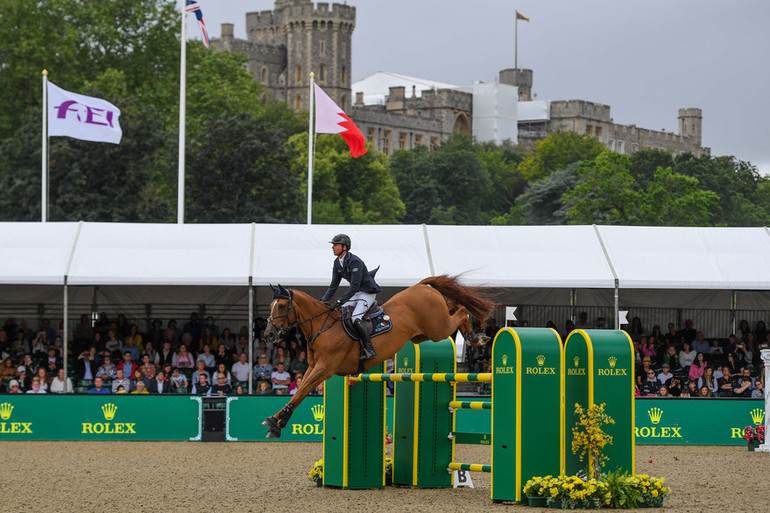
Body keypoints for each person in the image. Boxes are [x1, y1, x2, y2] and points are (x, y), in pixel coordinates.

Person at [321, 233, 381, 360]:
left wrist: (339, 300)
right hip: (357, 293)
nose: (333, 247)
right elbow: (333, 286)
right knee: (340, 313)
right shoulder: (337, 263)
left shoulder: (355, 261)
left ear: (344, 247)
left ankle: (369, 349)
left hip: (367, 293)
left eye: (335, 245)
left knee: (355, 317)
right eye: (333, 245)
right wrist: (323, 300)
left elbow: (354, 287)